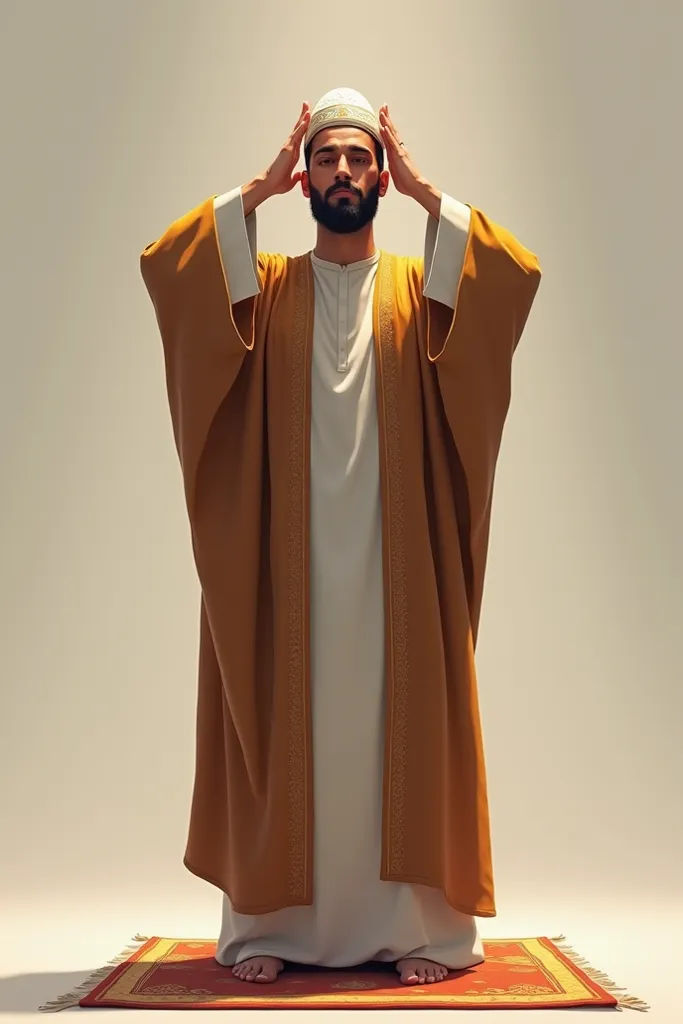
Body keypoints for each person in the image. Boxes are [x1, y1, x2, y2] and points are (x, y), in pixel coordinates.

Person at [140, 87, 541, 987]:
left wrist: (432, 191)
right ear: (307, 174)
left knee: (397, 729)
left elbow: (507, 279)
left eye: (360, 159)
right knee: (286, 725)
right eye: (327, 159)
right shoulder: (270, 285)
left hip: (396, 559)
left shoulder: (415, 281)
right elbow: (172, 270)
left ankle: (419, 933)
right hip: (290, 566)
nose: (344, 174)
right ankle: (272, 927)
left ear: (382, 175)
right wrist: (258, 184)